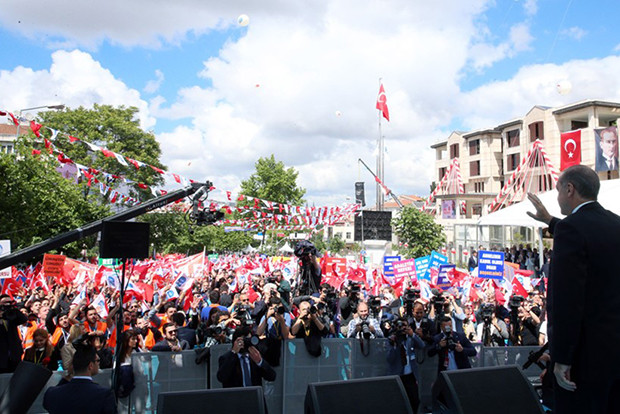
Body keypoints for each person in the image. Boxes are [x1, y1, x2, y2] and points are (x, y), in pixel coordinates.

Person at [527, 165, 620, 413]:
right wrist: (549, 219)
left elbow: (567, 302)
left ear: (570, 189)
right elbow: (591, 239)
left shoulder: (572, 229)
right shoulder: (615, 223)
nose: (557, 197)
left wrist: (562, 358)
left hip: (584, 360)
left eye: (558, 190)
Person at [43, 343, 117, 414]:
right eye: (97, 361)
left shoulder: (52, 394)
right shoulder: (104, 395)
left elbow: (47, 403)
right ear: (90, 365)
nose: (98, 364)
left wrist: (67, 377)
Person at [386, 317, 426, 412]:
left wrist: (413, 335)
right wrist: (395, 344)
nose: (402, 328)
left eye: (404, 325)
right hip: (398, 375)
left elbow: (422, 346)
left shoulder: (410, 338)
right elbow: (389, 359)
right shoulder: (391, 340)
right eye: (400, 326)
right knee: (399, 401)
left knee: (415, 400)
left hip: (410, 375)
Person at [0, 294, 28, 373]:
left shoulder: (12, 314)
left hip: (14, 354)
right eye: (5, 302)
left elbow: (23, 319)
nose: (7, 304)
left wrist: (13, 307)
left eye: (9, 302)